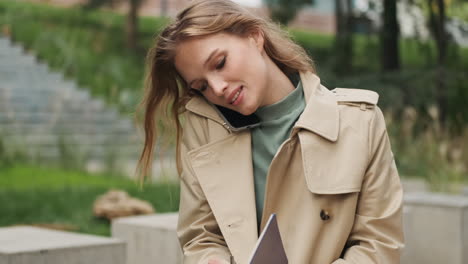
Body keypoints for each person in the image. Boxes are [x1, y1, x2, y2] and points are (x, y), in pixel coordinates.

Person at [137, 0, 404, 263]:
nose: (217, 88)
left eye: (220, 63)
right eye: (202, 86)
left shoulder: (358, 121)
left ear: (255, 36)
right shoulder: (205, 128)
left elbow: (378, 243)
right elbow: (201, 237)